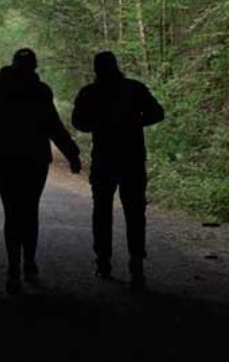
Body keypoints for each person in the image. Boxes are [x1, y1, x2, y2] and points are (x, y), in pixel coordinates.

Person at [0, 49, 82, 294]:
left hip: (4, 160)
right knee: (30, 211)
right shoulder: (41, 92)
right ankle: (29, 264)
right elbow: (54, 126)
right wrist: (72, 154)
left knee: (12, 213)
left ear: (12, 65)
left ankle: (13, 270)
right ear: (34, 67)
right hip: (35, 161)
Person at [71, 50, 165, 289]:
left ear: (96, 69)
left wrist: (99, 124)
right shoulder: (135, 88)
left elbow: (77, 122)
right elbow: (157, 113)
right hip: (132, 158)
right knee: (134, 211)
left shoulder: (89, 93)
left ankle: (103, 263)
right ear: (116, 66)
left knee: (101, 211)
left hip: (104, 159)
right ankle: (136, 265)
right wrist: (135, 121)